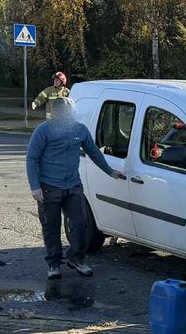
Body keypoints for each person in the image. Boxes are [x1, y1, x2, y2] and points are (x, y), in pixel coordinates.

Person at [26, 96, 126, 279]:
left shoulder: (79, 129)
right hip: (48, 188)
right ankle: (54, 264)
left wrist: (110, 171)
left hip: (72, 186)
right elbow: (32, 158)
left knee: (80, 224)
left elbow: (93, 151)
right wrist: (35, 187)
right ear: (55, 113)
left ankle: (77, 259)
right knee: (51, 228)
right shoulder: (43, 131)